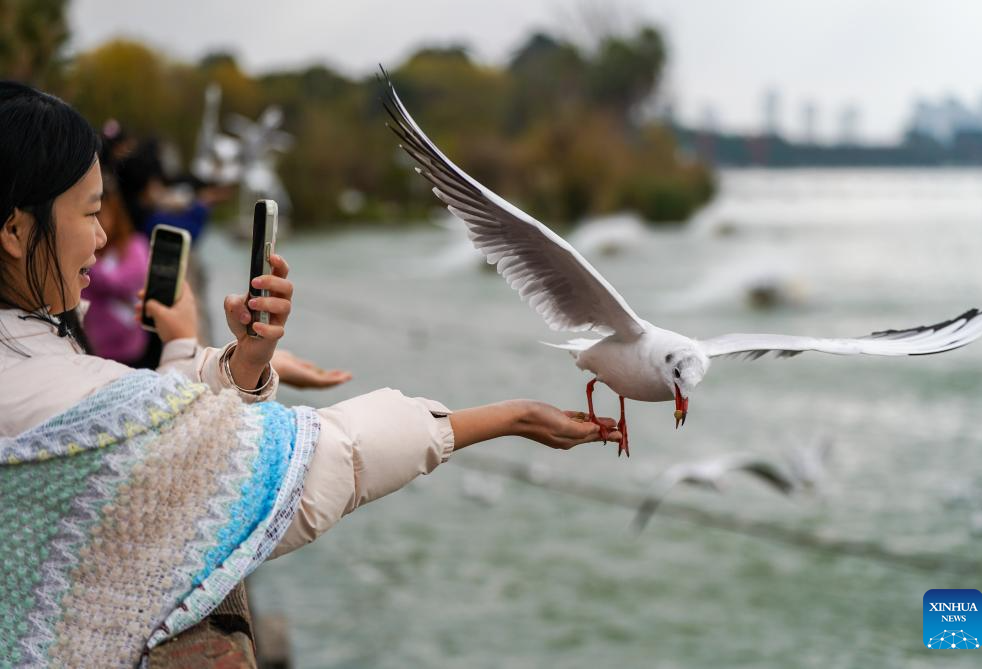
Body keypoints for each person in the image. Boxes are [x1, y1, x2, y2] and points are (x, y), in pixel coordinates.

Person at [0, 81, 621, 667]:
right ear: (15, 230)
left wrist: (239, 363)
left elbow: (151, 435)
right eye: (87, 212)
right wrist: (505, 417)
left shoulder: (31, 358)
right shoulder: (59, 397)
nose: (105, 235)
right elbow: (317, 464)